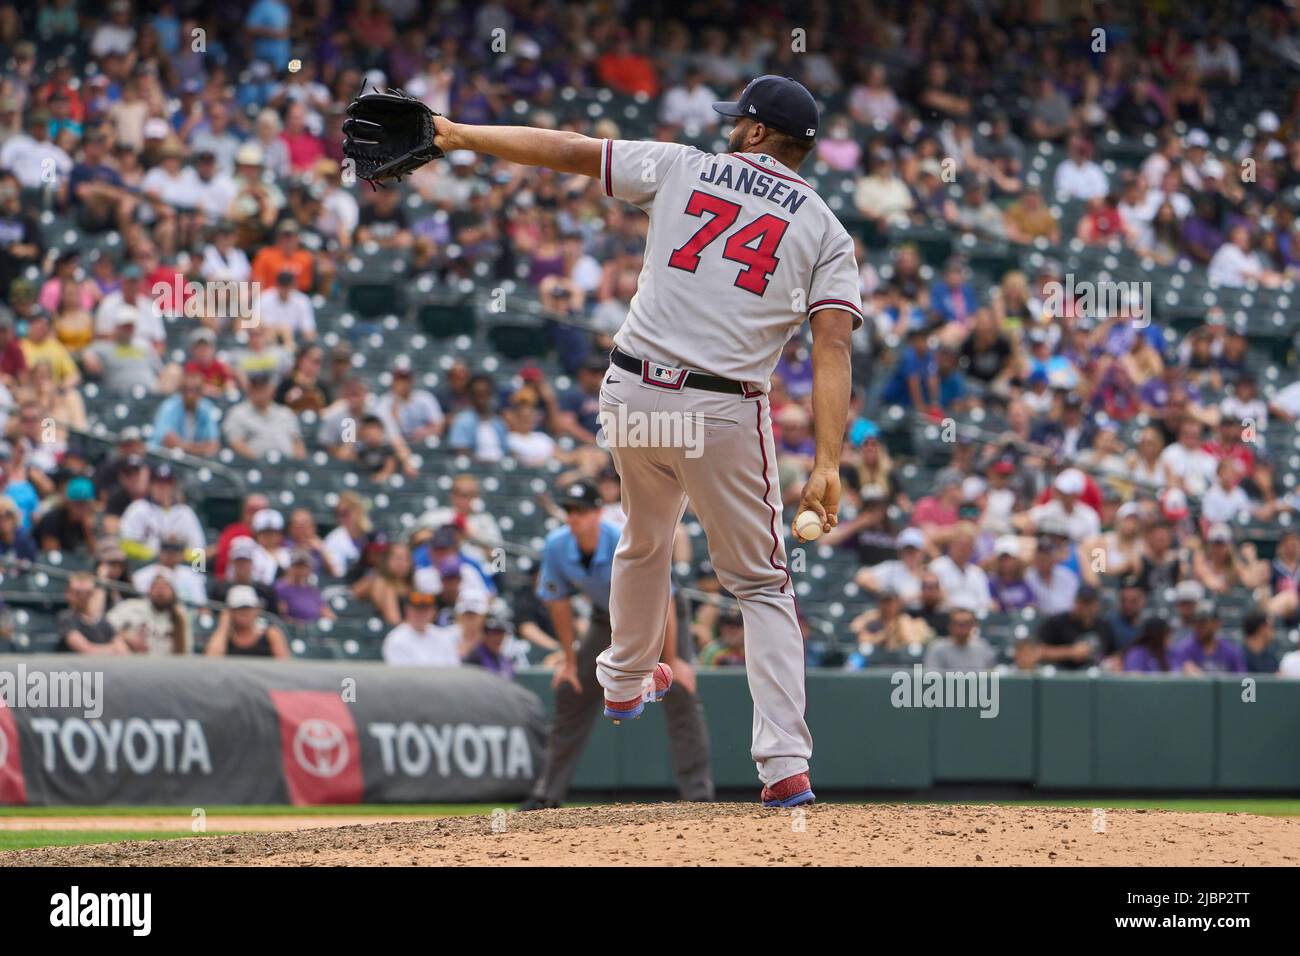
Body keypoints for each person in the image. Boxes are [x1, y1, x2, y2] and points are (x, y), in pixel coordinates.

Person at [433, 76, 858, 809]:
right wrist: (827, 460)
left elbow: (567, 150)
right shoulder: (825, 227)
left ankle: (623, 682)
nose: (729, 128)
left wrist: (462, 134)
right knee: (760, 584)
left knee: (644, 536)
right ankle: (784, 765)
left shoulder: (683, 164)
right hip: (723, 406)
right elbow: (832, 349)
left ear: (758, 133)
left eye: (739, 121)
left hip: (633, 388)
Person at [521, 481, 714, 810]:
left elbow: (663, 596)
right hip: (608, 616)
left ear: (598, 512)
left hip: (659, 609)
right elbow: (558, 603)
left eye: (581, 510)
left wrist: (671, 660)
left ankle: (698, 797)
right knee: (573, 689)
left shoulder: (622, 537)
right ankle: (547, 794)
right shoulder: (556, 545)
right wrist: (569, 661)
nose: (574, 517)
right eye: (569, 510)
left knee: (678, 689)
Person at [1030, 585, 1118, 671]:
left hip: (1095, 678)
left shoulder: (1104, 626)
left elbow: (1113, 654)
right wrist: (1070, 652)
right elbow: (1038, 651)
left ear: (1097, 605)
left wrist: (1114, 662)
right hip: (1061, 676)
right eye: (1083, 603)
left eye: (1090, 603)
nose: (1086, 608)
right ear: (1075, 603)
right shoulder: (1057, 623)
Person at [106, 570, 191, 655]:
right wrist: (126, 636)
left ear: (173, 592)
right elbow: (106, 625)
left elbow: (186, 651)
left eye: (165, 587)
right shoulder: (132, 606)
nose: (160, 592)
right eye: (156, 586)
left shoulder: (180, 615)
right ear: (149, 590)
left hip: (169, 665)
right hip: (135, 662)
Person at [381, 585, 460, 666]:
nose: (421, 614)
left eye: (425, 610)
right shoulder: (396, 638)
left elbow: (454, 668)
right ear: (407, 610)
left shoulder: (443, 637)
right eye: (417, 609)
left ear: (433, 612)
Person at [204, 585, 290, 658]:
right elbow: (211, 661)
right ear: (231, 612)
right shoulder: (225, 637)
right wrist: (223, 627)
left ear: (256, 610)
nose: (244, 613)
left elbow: (284, 665)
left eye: (248, 608)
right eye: (239, 609)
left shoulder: (271, 634)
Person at [1169, 601, 1246, 674]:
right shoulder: (1184, 649)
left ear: (1216, 623)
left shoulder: (1230, 651)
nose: (1198, 626)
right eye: (1195, 622)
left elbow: (1240, 680)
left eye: (1203, 623)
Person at [923, 604, 997, 672]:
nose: (962, 628)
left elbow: (990, 677)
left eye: (967, 623)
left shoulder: (983, 648)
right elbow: (932, 679)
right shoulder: (937, 648)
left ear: (973, 625)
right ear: (950, 626)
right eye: (958, 624)